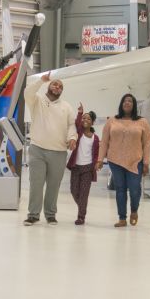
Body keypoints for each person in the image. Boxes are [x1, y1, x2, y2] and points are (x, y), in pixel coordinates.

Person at [23, 73, 77, 225]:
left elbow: (71, 125)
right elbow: (27, 92)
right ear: (49, 85)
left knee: (54, 185)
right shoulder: (37, 100)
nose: (57, 87)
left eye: (60, 86)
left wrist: (72, 138)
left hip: (59, 152)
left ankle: (50, 214)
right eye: (55, 84)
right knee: (36, 184)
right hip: (37, 149)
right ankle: (33, 215)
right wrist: (41, 80)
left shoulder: (66, 107)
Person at [97, 93, 150, 227]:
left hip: (135, 160)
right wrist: (99, 159)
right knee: (120, 189)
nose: (127, 103)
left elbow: (147, 143)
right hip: (115, 160)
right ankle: (122, 218)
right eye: (125, 101)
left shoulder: (142, 122)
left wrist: (146, 162)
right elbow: (104, 141)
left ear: (134, 105)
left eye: (130, 101)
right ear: (121, 104)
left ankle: (134, 210)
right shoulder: (112, 121)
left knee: (134, 189)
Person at [67, 104, 100, 226]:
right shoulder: (79, 132)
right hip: (76, 167)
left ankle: (81, 216)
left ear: (92, 122)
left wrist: (97, 163)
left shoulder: (95, 138)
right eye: (84, 118)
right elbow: (76, 123)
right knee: (73, 190)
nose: (85, 120)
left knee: (84, 193)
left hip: (88, 168)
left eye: (88, 119)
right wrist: (80, 113)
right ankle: (82, 206)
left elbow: (96, 154)